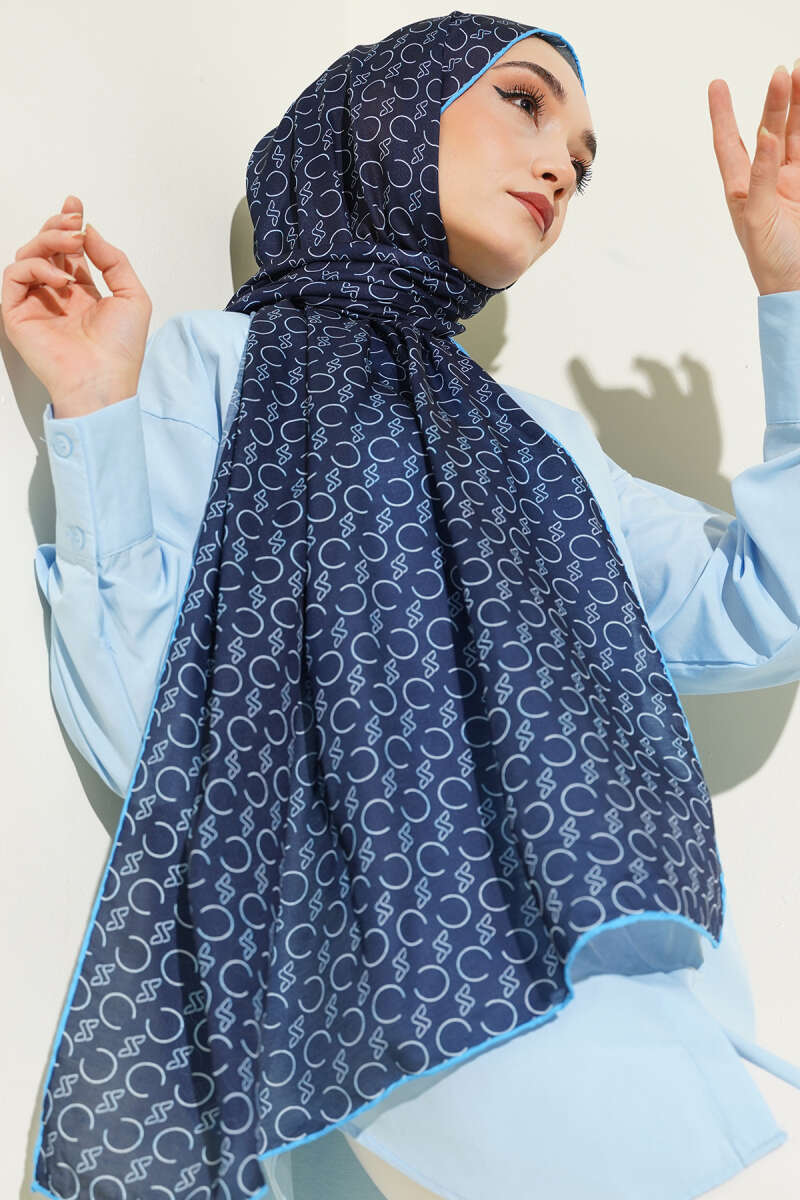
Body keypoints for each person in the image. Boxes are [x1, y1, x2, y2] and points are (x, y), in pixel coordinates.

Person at [5, 12, 800, 1200]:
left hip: (616, 1006)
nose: (556, 167)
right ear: (386, 111)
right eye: (523, 102)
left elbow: (765, 609)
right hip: (396, 1029)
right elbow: (156, 734)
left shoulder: (539, 450)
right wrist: (94, 405)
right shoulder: (214, 373)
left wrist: (789, 294)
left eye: (581, 164)